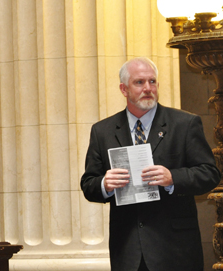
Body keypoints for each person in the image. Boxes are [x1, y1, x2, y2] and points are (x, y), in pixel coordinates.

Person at [81, 57, 221, 271]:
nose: (148, 88)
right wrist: (104, 184)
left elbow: (210, 174)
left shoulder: (185, 123)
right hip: (128, 250)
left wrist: (173, 178)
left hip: (175, 250)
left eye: (152, 81)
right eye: (139, 82)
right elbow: (89, 184)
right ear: (124, 89)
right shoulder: (103, 131)